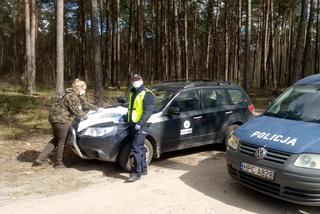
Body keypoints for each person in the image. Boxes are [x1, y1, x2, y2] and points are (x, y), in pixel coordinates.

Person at [32, 79, 101, 169]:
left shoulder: (73, 94)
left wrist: (97, 108)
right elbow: (77, 112)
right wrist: (89, 117)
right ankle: (59, 163)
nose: (85, 91)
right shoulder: (72, 96)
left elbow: (84, 104)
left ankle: (40, 158)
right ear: (79, 88)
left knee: (57, 139)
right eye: (84, 89)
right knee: (62, 140)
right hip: (60, 119)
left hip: (54, 117)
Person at [125, 74, 154, 182]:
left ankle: (136, 173)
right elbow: (132, 109)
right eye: (133, 80)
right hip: (133, 123)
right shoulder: (133, 92)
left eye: (137, 79)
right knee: (140, 148)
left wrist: (140, 123)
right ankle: (143, 169)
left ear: (142, 80)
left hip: (141, 124)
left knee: (135, 148)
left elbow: (148, 111)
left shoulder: (147, 94)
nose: (135, 81)